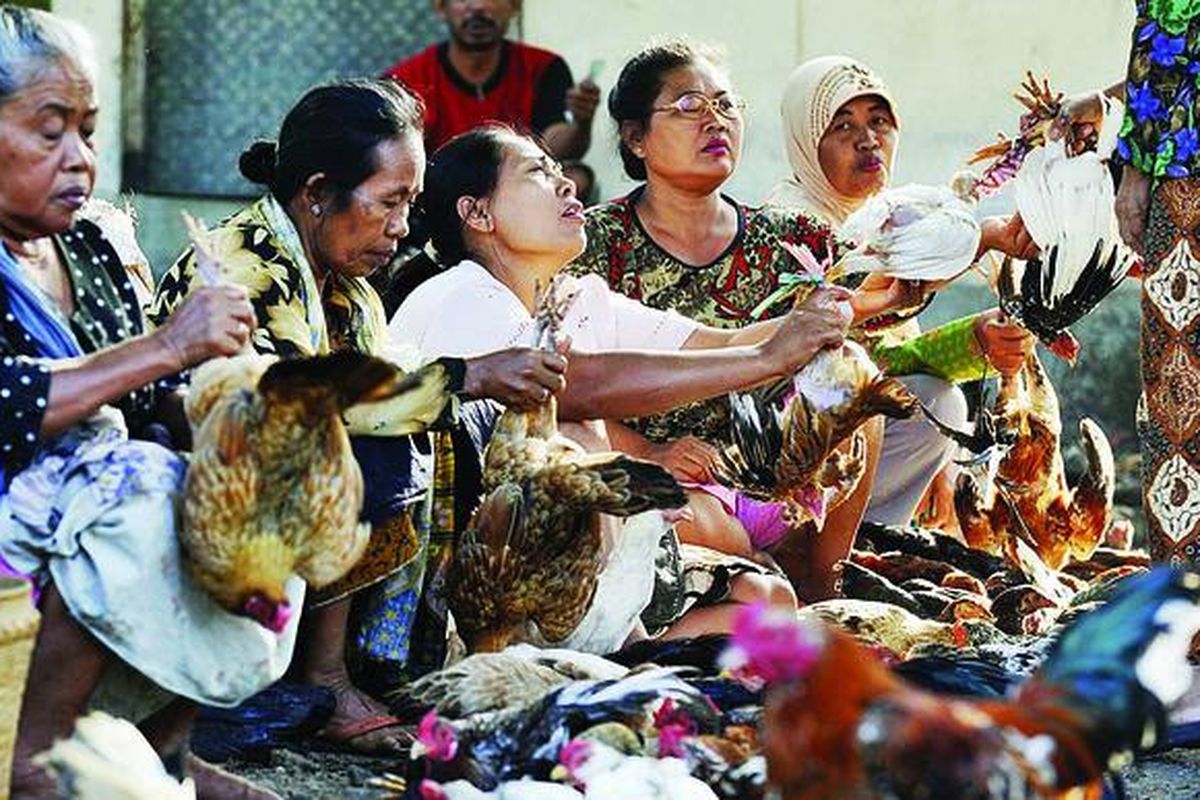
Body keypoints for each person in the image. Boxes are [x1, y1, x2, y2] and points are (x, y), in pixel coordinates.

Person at [149, 79, 567, 754]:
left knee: (446, 427)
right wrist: (470, 373)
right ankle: (323, 675)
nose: (403, 226)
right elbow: (274, 408)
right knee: (378, 438)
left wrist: (461, 388)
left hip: (277, 510)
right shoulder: (244, 266)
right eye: (391, 202)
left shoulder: (347, 290)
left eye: (409, 202)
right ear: (317, 193)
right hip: (204, 497)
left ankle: (382, 666)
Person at [574, 40, 1036, 596]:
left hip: (770, 476)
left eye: (726, 105)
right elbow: (571, 384)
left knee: (851, 373)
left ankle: (823, 579)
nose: (715, 120)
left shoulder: (788, 238)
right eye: (690, 106)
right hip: (660, 477)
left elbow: (880, 282)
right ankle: (760, 568)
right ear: (635, 137)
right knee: (686, 525)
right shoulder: (594, 245)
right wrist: (647, 451)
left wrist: (989, 236)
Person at [392, 125, 865, 641]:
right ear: (478, 214)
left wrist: (856, 303)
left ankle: (621, 649)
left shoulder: (574, 296)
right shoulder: (460, 293)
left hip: (577, 569)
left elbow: (713, 344)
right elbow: (572, 388)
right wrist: (767, 358)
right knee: (583, 439)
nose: (567, 184)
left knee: (768, 605)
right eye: (537, 174)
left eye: (558, 171)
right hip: (479, 591)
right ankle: (604, 652)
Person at [0, 8, 294, 797]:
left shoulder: (86, 245)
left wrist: (228, 397)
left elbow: (153, 398)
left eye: (89, 132)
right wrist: (166, 345)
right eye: (48, 131)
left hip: (75, 494)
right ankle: (32, 756)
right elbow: (10, 401)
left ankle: (161, 743)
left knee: (251, 500)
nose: (80, 160)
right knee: (132, 490)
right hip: (13, 497)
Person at [765, 55, 1037, 533]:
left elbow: (891, 354)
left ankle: (865, 539)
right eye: (841, 125)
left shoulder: (885, 217)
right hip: (783, 441)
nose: (867, 139)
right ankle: (812, 542)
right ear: (806, 141)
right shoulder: (790, 223)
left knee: (935, 403)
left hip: (842, 429)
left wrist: (976, 339)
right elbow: (846, 341)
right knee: (931, 403)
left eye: (879, 121)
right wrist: (981, 241)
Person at [1109, 1, 1200, 565]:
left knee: (1183, 398)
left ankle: (1186, 594)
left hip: (1189, 184)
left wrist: (1136, 170)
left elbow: (1167, 36)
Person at [384, 0, 599, 200]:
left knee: (576, 178)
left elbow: (554, 148)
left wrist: (581, 122)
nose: (477, 6)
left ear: (515, 4)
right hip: (439, 197)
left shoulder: (544, 68)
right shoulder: (405, 80)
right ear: (440, 5)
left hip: (519, 195)